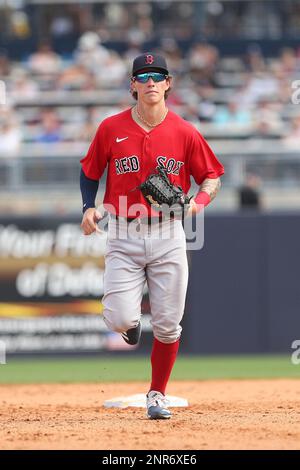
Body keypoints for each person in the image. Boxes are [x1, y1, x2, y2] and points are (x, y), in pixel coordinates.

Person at [80, 52, 224, 419]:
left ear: (168, 83)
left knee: (167, 324)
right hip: (124, 233)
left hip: (168, 233)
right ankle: (128, 329)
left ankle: (157, 394)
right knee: (118, 318)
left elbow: (212, 176)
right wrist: (87, 207)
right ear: (132, 85)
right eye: (142, 77)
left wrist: (198, 203)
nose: (150, 83)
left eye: (157, 76)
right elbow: (90, 171)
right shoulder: (111, 128)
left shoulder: (185, 131)